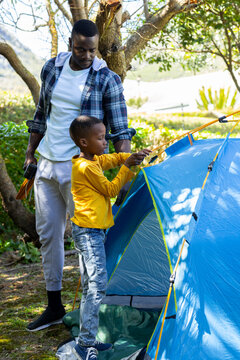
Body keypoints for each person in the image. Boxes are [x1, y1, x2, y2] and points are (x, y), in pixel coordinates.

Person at [24, 19, 134, 332]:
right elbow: (41, 115)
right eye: (79, 48)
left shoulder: (107, 79)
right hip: (46, 164)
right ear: (71, 43)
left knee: (87, 242)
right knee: (48, 237)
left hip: (81, 171)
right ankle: (54, 306)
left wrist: (123, 171)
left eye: (91, 50)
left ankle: (92, 317)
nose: (85, 55)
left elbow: (120, 131)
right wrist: (31, 153)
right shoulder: (52, 68)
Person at [69, 115, 151, 360]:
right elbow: (111, 190)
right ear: (84, 142)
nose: (105, 142)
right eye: (100, 138)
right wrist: (128, 169)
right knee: (96, 288)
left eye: (105, 136)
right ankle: (85, 344)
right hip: (89, 233)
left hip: (90, 230)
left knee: (89, 287)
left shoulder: (91, 160)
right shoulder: (85, 167)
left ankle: (88, 338)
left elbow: (112, 158)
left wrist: (129, 156)